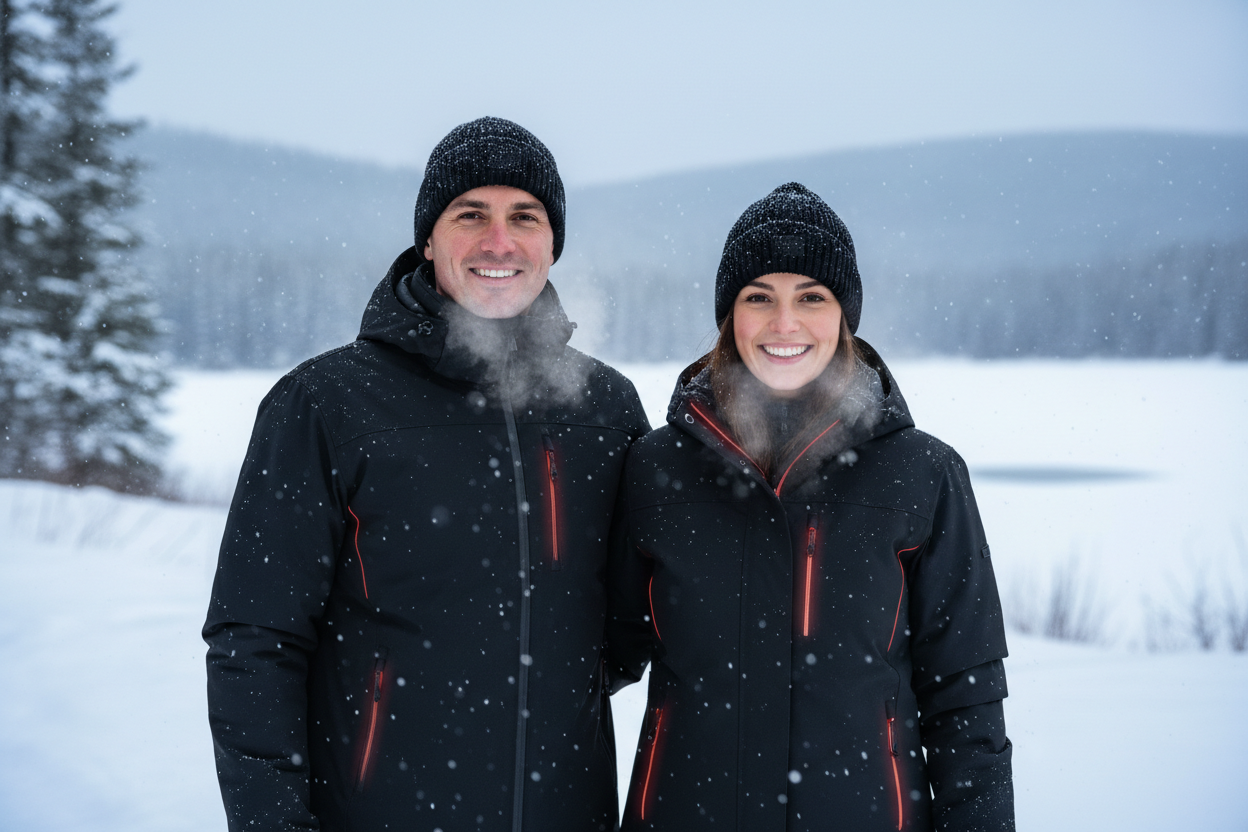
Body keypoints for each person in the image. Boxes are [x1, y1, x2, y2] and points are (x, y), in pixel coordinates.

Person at [204, 117, 650, 832]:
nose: (498, 242)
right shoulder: (326, 403)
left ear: (552, 244)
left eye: (524, 218)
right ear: (428, 238)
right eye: (470, 214)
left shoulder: (607, 410)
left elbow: (630, 627)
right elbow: (253, 640)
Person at [607, 183, 1013, 830]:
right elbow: (596, 651)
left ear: (846, 316)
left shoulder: (923, 475)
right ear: (728, 317)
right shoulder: (658, 470)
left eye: (811, 298)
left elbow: (968, 704)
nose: (784, 323)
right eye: (758, 297)